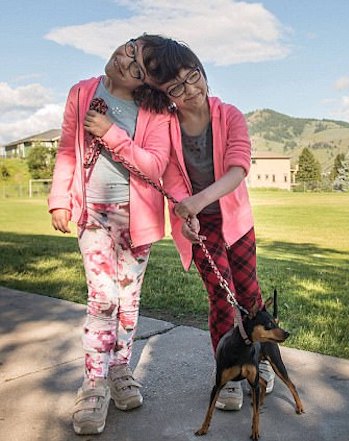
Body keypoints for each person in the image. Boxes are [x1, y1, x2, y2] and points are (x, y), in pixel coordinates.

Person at [139, 36, 275, 411]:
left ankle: (261, 362)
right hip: (197, 226)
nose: (190, 90)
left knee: (249, 296)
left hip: (234, 220)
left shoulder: (229, 114)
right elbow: (171, 178)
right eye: (177, 87)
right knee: (220, 297)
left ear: (202, 71)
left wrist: (198, 200)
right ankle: (228, 372)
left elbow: (238, 168)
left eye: (193, 76)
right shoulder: (165, 124)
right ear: (166, 93)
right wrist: (187, 217)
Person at [48, 35, 172, 435]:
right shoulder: (84, 92)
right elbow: (68, 148)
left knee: (129, 302)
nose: (124, 61)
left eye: (137, 69)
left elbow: (154, 167)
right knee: (103, 298)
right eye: (129, 49)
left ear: (147, 84)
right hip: (93, 216)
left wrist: (110, 133)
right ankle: (94, 383)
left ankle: (119, 370)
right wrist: (59, 200)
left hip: (138, 220)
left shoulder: (158, 113)